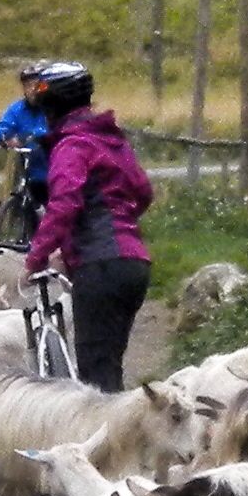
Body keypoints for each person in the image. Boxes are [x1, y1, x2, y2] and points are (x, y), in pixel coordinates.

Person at [23, 65, 153, 391]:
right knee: (110, 365)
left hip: (101, 266)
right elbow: (143, 192)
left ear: (52, 108)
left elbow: (64, 204)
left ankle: (109, 440)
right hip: (134, 264)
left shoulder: (73, 146)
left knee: (96, 379)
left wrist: (35, 258)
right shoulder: (110, 139)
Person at [0, 61, 62, 236]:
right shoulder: (17, 109)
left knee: (59, 216)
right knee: (29, 214)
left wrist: (35, 135)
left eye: (36, 85)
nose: (32, 89)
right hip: (30, 173)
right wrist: (5, 138)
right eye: (28, 85)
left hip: (55, 172)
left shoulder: (54, 108)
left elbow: (58, 128)